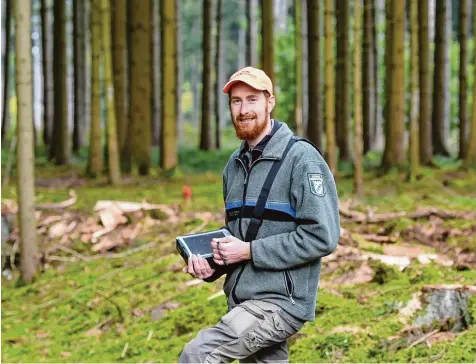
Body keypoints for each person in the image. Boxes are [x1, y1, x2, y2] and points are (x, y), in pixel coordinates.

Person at [179, 66, 340, 363]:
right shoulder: (234, 165)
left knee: (198, 355)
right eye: (236, 101)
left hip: (280, 303)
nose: (243, 109)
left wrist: (249, 251)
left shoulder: (302, 159)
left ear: (270, 102)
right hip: (243, 300)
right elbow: (239, 238)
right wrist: (213, 264)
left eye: (252, 99)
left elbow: (323, 237)